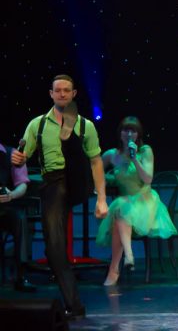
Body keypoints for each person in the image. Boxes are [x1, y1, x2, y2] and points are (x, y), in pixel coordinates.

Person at [11, 74, 108, 321]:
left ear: (74, 94)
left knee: (75, 159)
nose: (62, 94)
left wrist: (101, 198)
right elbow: (24, 156)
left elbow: (96, 162)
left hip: (78, 180)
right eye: (58, 91)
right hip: (54, 184)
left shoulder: (86, 125)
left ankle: (69, 139)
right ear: (51, 94)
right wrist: (18, 158)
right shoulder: (37, 125)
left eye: (67, 91)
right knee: (54, 248)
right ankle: (74, 305)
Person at [96, 116, 177, 286]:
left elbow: (148, 179)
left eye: (133, 130)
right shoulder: (112, 155)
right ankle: (125, 259)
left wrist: (134, 159)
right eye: (126, 130)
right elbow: (95, 171)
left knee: (120, 209)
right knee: (120, 210)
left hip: (145, 201)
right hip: (125, 201)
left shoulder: (145, 151)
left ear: (138, 134)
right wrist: (105, 181)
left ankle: (117, 267)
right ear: (120, 134)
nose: (129, 134)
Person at [0, 142, 36, 292]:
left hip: (4, 208)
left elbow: (22, 184)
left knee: (20, 218)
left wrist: (11, 194)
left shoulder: (11, 154)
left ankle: (21, 275)